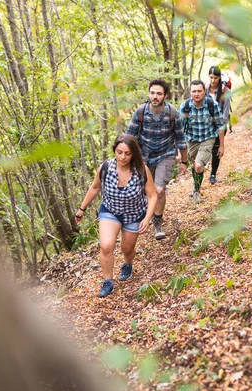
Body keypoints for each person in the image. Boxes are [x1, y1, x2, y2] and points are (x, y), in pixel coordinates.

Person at [75, 135, 157, 298]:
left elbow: (152, 196)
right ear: (114, 151)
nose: (123, 157)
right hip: (110, 211)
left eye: (127, 153)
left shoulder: (142, 170)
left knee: (127, 249)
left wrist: (147, 219)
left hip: (134, 215)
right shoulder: (105, 167)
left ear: (133, 154)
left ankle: (127, 264)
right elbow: (95, 188)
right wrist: (81, 209)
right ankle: (108, 282)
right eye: (119, 152)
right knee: (106, 246)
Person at [126, 78, 187, 240]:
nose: (155, 96)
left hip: (165, 155)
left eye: (159, 94)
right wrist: (124, 160)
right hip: (143, 157)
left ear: (165, 96)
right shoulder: (140, 112)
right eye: (152, 93)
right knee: (145, 190)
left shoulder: (173, 113)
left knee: (159, 190)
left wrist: (185, 162)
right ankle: (140, 217)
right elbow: (129, 137)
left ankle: (157, 221)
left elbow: (181, 139)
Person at [179, 80, 226, 204]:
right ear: (190, 93)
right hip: (191, 140)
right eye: (194, 91)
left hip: (207, 138)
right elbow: (179, 129)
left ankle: (196, 191)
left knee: (199, 165)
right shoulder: (185, 106)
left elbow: (220, 126)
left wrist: (221, 146)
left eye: (199, 91)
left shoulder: (212, 104)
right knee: (195, 165)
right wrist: (179, 150)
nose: (196, 94)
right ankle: (196, 186)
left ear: (204, 91)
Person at [206, 66, 232, 185]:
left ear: (219, 77)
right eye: (211, 77)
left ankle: (213, 174)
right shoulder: (204, 89)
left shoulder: (225, 91)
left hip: (219, 124)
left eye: (215, 78)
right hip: (205, 124)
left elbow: (225, 113)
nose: (213, 81)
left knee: (216, 148)